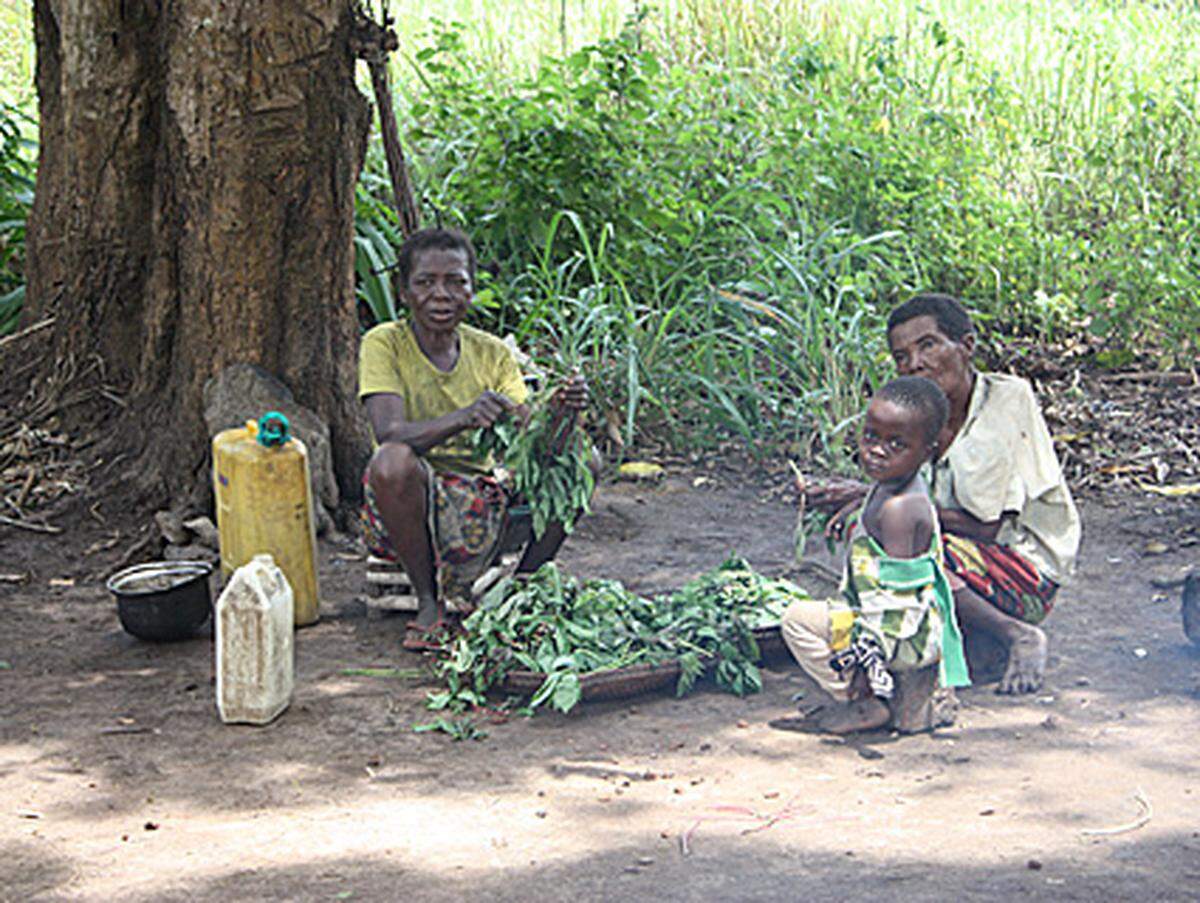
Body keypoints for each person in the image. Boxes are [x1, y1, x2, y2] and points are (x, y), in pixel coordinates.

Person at [806, 293, 1081, 694]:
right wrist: (866, 497)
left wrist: (873, 500)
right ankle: (942, 642)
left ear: (966, 346)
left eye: (928, 345)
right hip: (967, 564)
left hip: (1022, 572)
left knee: (894, 536)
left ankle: (1015, 633)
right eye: (902, 356)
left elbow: (986, 527)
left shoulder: (1007, 399)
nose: (915, 363)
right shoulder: (920, 414)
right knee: (865, 525)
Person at [358, 228, 587, 651]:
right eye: (425, 282)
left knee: (582, 463)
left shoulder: (493, 352)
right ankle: (430, 603)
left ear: (471, 289)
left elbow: (532, 436)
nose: (440, 295)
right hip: (410, 499)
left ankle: (520, 591)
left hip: (483, 499)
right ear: (404, 292)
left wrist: (561, 412)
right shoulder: (384, 343)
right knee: (391, 460)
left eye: (455, 281)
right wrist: (463, 418)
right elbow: (388, 431)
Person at [780, 376, 970, 734]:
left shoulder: (900, 509)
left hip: (898, 637)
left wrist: (868, 663)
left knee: (796, 620)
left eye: (896, 444)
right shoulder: (890, 487)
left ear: (929, 450)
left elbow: (895, 606)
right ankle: (879, 694)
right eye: (871, 437)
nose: (877, 451)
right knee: (824, 615)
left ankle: (867, 703)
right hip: (893, 628)